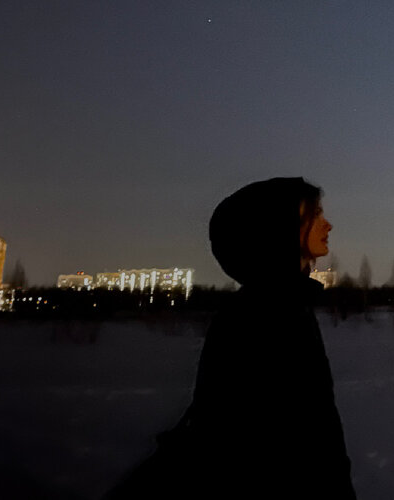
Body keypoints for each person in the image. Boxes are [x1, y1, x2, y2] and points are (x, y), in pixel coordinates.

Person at [105, 177, 357, 498]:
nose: (328, 224)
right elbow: (257, 440)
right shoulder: (265, 316)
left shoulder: (284, 306)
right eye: (315, 214)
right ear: (278, 229)